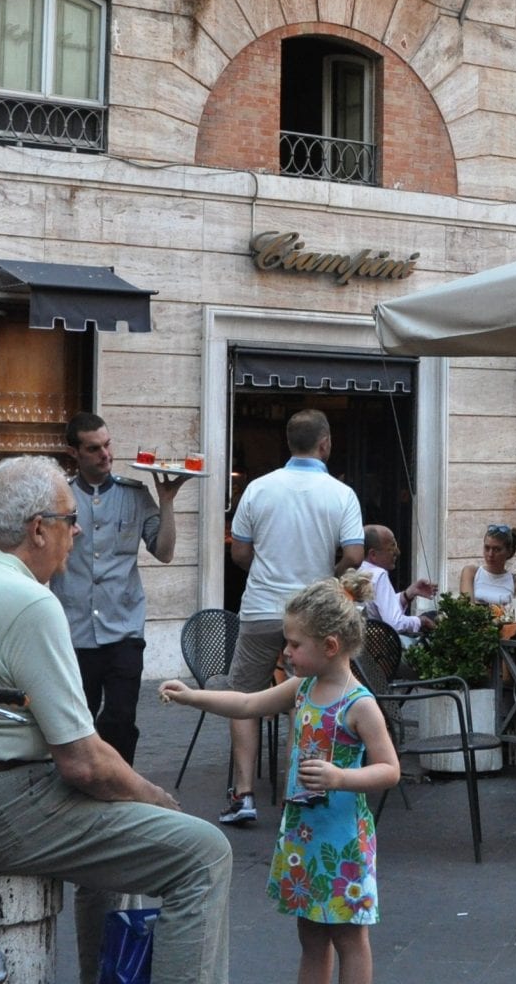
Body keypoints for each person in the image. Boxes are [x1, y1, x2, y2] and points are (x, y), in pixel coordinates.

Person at [0, 455, 231, 983]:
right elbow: (84, 763)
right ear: (38, 530)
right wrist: (153, 795)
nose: (77, 532)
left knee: (115, 857)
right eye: (71, 521)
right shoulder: (29, 601)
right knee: (204, 853)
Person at [162, 579, 397, 984]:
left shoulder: (359, 704)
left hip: (342, 840)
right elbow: (248, 702)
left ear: (330, 647)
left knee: (349, 935)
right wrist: (193, 697)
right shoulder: (303, 688)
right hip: (304, 835)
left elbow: (389, 769)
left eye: (294, 644)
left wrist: (340, 776)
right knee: (310, 934)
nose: (285, 652)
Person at [224, 409, 366, 828]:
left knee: (244, 699)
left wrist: (267, 575)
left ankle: (244, 793)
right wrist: (324, 582)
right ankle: (297, 793)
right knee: (304, 701)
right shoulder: (341, 493)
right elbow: (356, 555)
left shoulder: (257, 489)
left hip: (260, 609)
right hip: (313, 616)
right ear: (325, 444)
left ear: (289, 443)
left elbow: (239, 553)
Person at [52, 413, 186, 767]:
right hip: (74, 629)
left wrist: (167, 500)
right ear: (74, 453)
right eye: (94, 449)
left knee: (121, 719)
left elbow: (165, 551)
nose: (105, 455)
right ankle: (81, 786)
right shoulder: (58, 499)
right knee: (78, 720)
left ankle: (120, 791)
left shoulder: (135, 494)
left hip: (124, 627)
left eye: (107, 445)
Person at [360, 524, 436, 637]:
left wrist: (407, 594)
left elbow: (379, 608)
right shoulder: (378, 575)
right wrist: (420, 621)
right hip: (379, 647)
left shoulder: (357, 570)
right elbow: (394, 624)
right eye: (392, 547)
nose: (398, 552)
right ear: (373, 554)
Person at [458, 523, 516, 607]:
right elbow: (466, 607)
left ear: (509, 551)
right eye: (487, 548)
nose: (490, 554)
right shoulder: (471, 572)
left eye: (497, 549)